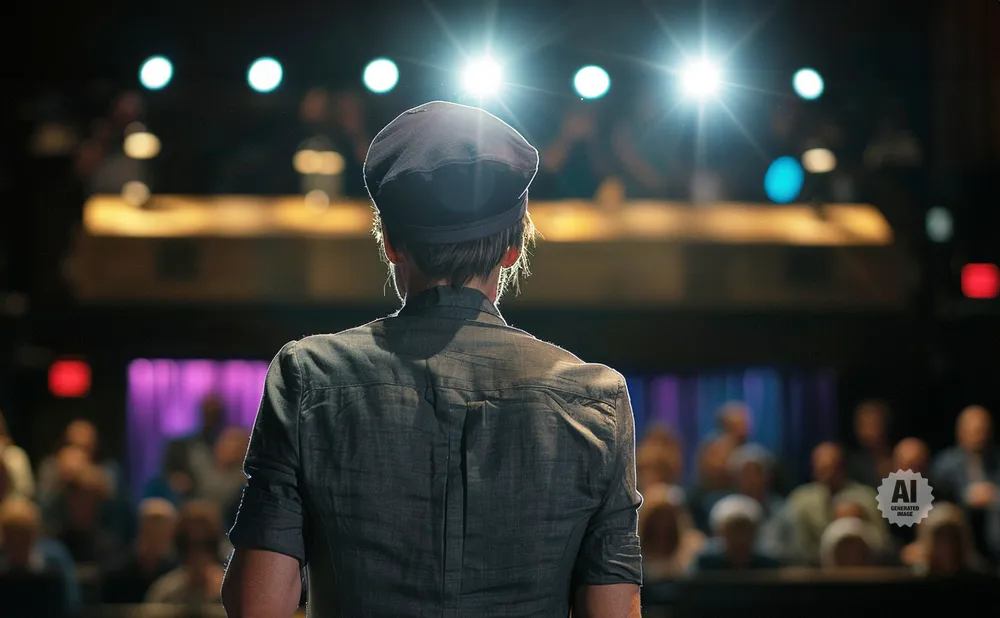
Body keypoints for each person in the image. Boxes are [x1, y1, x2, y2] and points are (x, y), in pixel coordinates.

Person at [222, 101, 643, 618]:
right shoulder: (595, 399)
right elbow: (612, 611)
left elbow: (256, 606)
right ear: (513, 247)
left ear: (392, 243)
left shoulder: (308, 376)